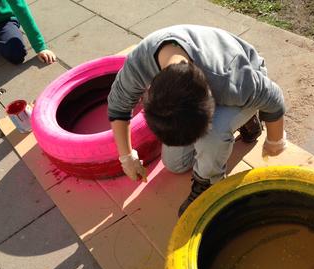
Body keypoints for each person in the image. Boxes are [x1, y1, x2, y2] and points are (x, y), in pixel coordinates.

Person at [108, 25, 287, 217]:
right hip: (217, 86)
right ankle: (238, 123)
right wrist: (127, 157)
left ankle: (209, 181)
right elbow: (118, 106)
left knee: (213, 134)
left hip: (248, 72)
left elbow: (274, 97)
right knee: (174, 164)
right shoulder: (139, 64)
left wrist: (275, 140)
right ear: (150, 92)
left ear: (212, 98)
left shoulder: (230, 80)